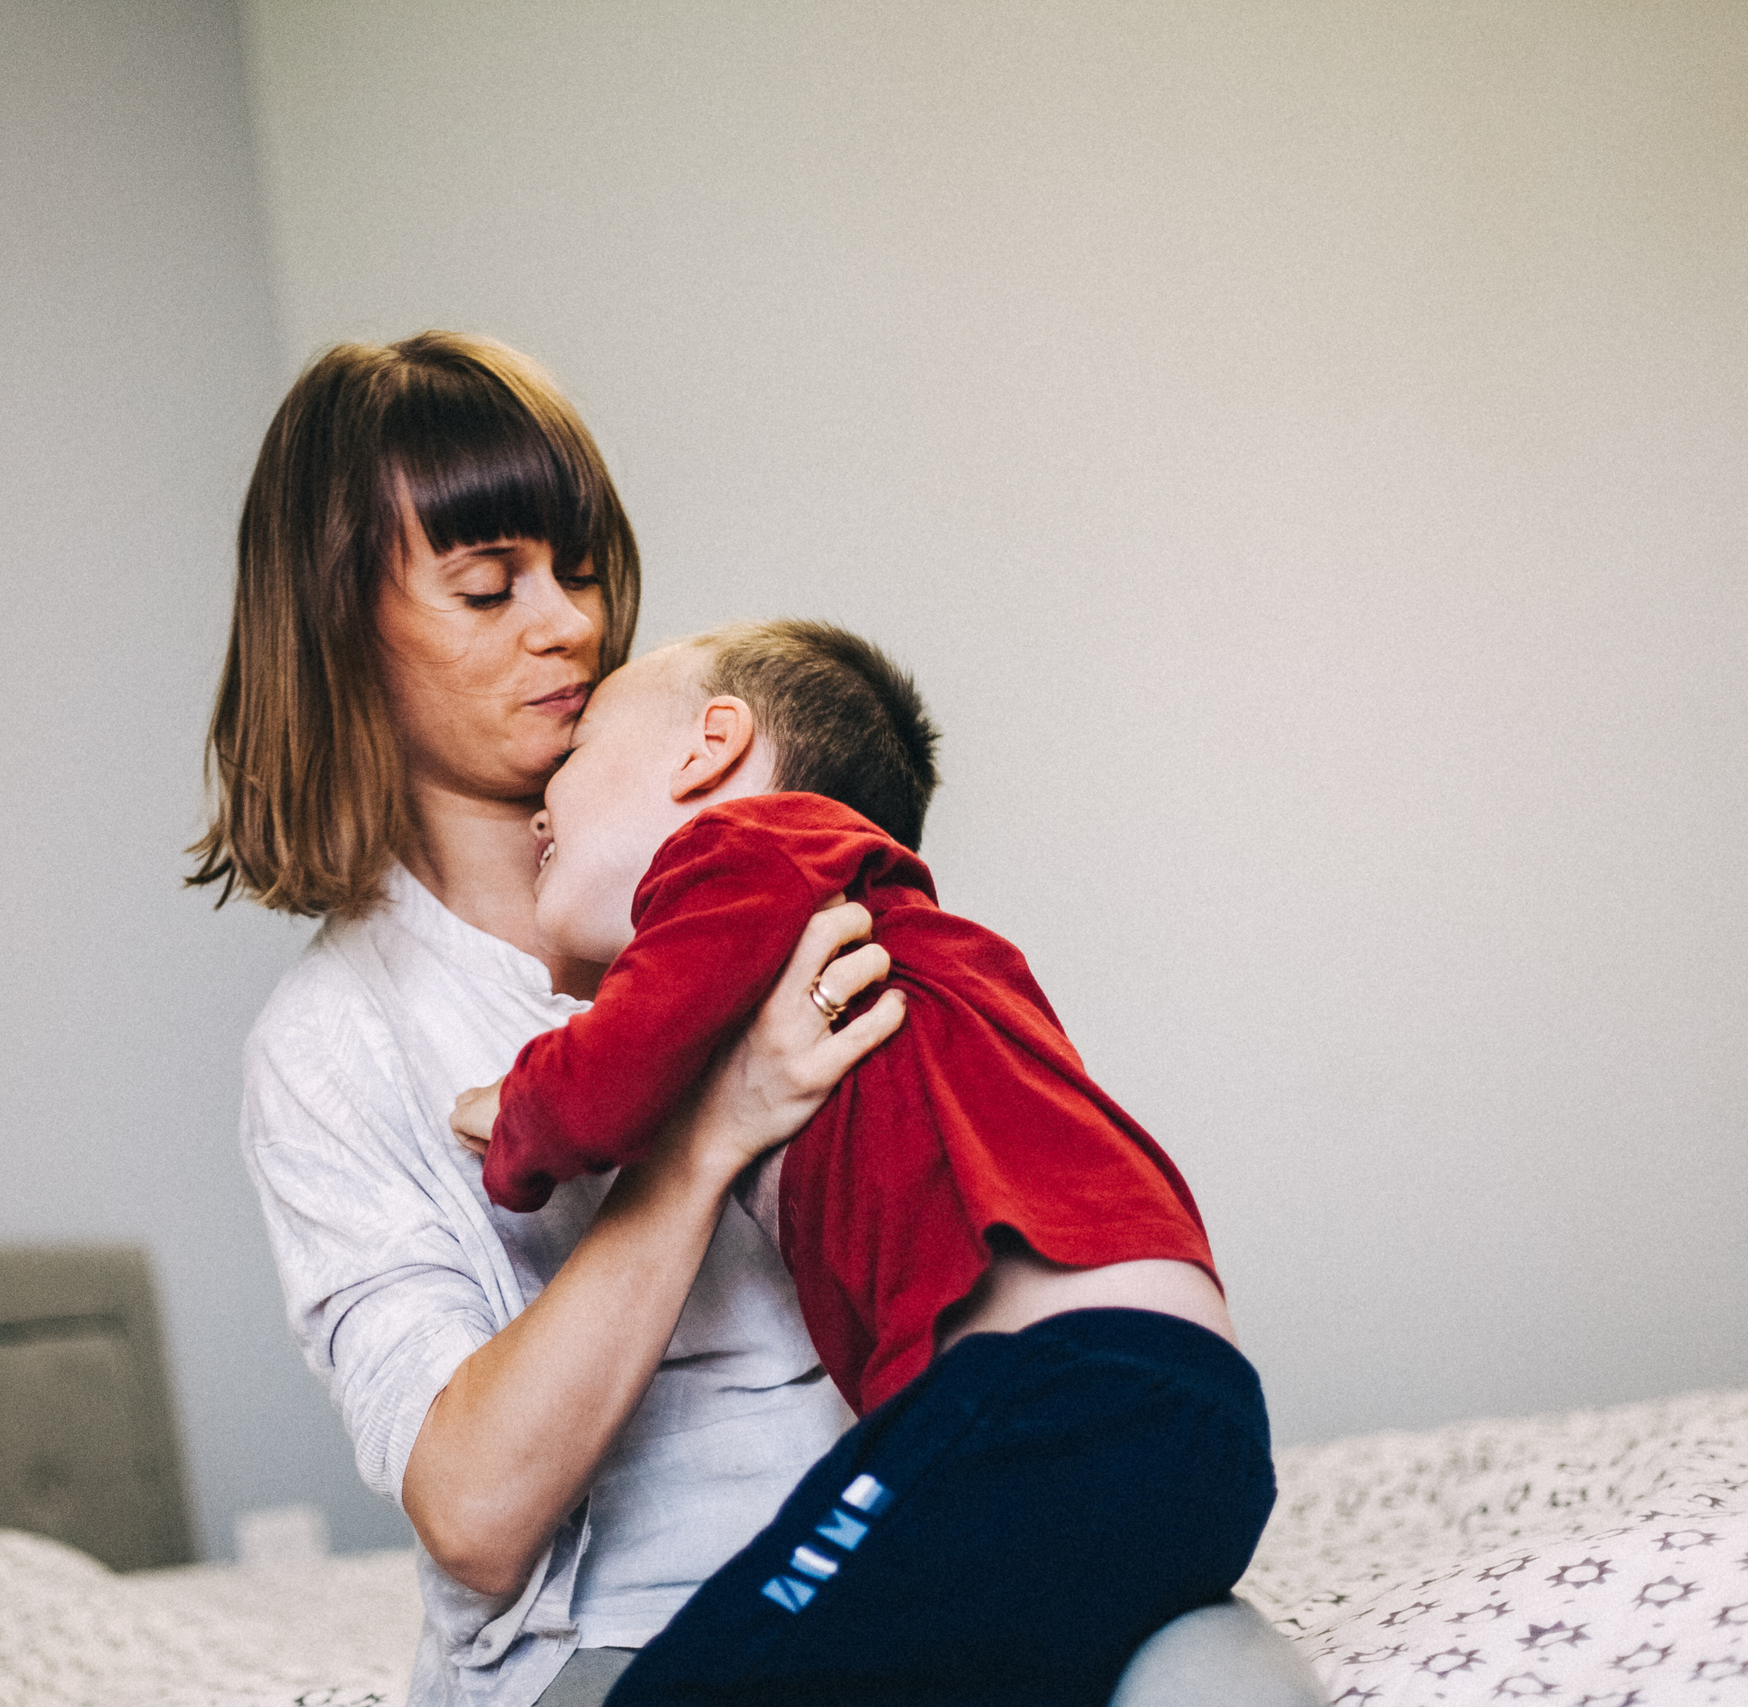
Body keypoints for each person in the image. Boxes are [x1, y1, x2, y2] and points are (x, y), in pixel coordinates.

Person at [199, 331, 1325, 1707]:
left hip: (932, 1538)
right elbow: (475, 1515)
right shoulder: (335, 1042)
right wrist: (711, 1129)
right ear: (337, 627)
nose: (565, 623)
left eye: (582, 569)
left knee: (1227, 1673)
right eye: (489, 586)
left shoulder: (734, 859)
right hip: (622, 1635)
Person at [450, 621, 1275, 1705]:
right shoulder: (892, 939)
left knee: (708, 1676)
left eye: (577, 751)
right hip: (1198, 1422)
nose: (542, 801)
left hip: (1050, 1390)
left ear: (709, 750)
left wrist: (515, 1112)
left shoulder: (748, 846)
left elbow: (612, 1071)